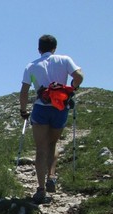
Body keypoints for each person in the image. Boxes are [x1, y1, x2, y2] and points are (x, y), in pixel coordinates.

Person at [19, 34, 84, 203]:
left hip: (41, 108)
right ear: (55, 47)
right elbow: (79, 77)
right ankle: (52, 176)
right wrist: (71, 90)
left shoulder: (31, 66)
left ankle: (40, 190)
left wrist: (23, 110)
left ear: (39, 49)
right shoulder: (64, 60)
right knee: (53, 143)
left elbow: (24, 91)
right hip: (59, 108)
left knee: (40, 149)